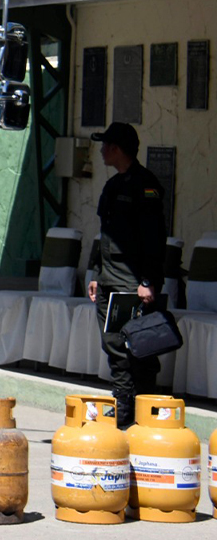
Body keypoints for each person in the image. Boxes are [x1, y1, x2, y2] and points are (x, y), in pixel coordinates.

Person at [87, 122, 166, 429]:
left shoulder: (145, 185)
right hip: (109, 280)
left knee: (137, 349)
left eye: (105, 145)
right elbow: (105, 235)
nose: (102, 150)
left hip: (130, 284)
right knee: (113, 346)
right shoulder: (113, 186)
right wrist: (96, 273)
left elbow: (154, 239)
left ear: (116, 149)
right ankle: (124, 409)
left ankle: (140, 412)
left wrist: (147, 281)